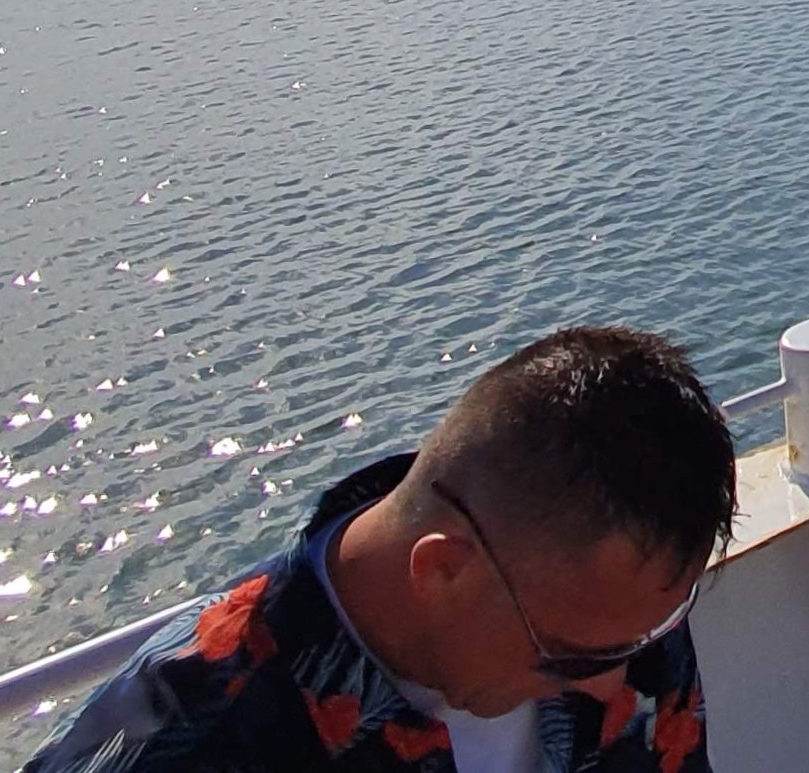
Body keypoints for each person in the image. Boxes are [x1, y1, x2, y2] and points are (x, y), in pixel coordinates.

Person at [23, 325, 739, 773]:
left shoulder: (614, 620)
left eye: (650, 635)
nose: (610, 684)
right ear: (441, 568)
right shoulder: (191, 735)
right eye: (573, 657)